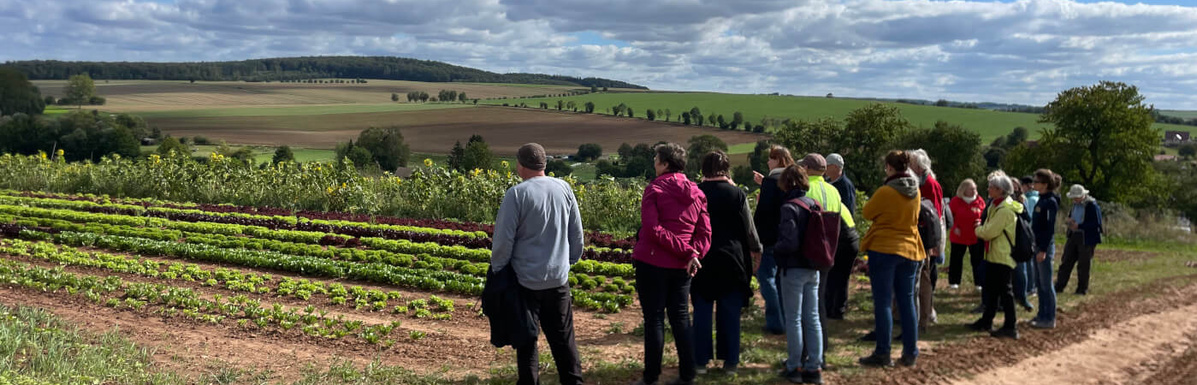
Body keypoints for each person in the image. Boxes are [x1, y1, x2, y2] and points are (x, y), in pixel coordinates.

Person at [490, 143, 585, 385]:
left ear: (520, 165)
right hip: (558, 280)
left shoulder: (517, 194)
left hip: (525, 282)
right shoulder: (564, 188)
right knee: (564, 341)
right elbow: (577, 236)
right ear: (544, 164)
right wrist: (568, 262)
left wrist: (498, 270)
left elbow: (503, 241)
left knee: (527, 341)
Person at [633, 143, 712, 385]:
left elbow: (653, 228)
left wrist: (689, 252)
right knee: (680, 318)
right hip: (682, 267)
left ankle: (651, 377)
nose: (654, 162)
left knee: (654, 319)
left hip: (652, 262)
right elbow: (705, 233)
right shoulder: (698, 193)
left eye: (656, 158)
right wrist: (693, 254)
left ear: (665, 163)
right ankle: (687, 374)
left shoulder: (654, 189)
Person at [692, 151, 762, 375]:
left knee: (702, 311)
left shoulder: (695, 193)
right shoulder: (737, 194)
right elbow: (749, 229)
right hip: (732, 258)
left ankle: (700, 362)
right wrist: (756, 250)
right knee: (730, 312)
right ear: (727, 168)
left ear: (704, 170)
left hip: (701, 257)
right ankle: (730, 362)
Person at [858, 150, 925, 368]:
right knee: (906, 302)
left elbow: (867, 212)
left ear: (889, 167)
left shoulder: (885, 191)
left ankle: (883, 353)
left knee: (884, 302)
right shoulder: (916, 192)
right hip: (911, 249)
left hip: (885, 248)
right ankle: (910, 352)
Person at [798, 153, 856, 353]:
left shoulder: (806, 189)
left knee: (812, 300)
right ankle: (821, 343)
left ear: (806, 168)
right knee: (827, 288)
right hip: (837, 240)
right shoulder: (833, 190)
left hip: (817, 245)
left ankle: (812, 350)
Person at [774, 164, 826, 384]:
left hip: (793, 268)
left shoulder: (789, 207)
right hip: (813, 268)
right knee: (812, 318)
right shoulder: (815, 204)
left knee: (793, 319)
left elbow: (789, 242)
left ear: (786, 183)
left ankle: (794, 365)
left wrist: (775, 249)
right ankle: (814, 367)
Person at [968, 171, 1023, 340]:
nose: (988, 188)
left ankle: (1010, 326)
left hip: (1002, 255)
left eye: (992, 186)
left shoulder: (1004, 210)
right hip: (994, 254)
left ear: (1000, 190)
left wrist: (977, 228)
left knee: (1005, 292)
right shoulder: (995, 205)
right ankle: (987, 321)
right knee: (991, 291)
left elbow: (989, 231)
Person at [752, 146, 796, 335]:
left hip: (769, 239)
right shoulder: (793, 181)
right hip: (788, 237)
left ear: (778, 160)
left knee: (766, 277)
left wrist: (755, 240)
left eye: (770, 159)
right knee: (781, 280)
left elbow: (763, 213)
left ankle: (775, 321)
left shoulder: (771, 181)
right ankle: (786, 318)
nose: (768, 162)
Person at [908, 150, 944, 323]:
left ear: (919, 168)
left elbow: (933, 215)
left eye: (911, 165)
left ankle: (928, 311)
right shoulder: (922, 182)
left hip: (926, 237)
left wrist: (935, 243)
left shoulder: (929, 184)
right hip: (922, 235)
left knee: (927, 275)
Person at [824, 153, 861, 320]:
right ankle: (830, 306)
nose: (825, 168)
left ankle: (838, 308)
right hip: (833, 236)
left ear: (836, 167)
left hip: (843, 236)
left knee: (840, 276)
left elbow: (848, 211)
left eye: (828, 165)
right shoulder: (830, 184)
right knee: (832, 275)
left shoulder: (845, 186)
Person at [1056, 184, 1103, 296]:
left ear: (1083, 195)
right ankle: (1059, 286)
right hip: (1073, 235)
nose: (1075, 200)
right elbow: (1072, 215)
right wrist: (1069, 221)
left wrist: (1080, 226)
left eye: (1076, 197)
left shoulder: (1092, 206)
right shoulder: (1074, 205)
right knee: (1066, 261)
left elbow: (1096, 224)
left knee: (1083, 264)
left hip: (1086, 238)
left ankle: (1082, 289)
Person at [1030, 169, 1062, 329]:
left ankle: (1049, 317)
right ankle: (1041, 314)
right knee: (1038, 281)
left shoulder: (1050, 202)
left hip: (1044, 246)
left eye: (1036, 182)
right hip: (1037, 244)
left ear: (1044, 184)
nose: (1033, 184)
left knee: (1045, 283)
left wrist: (1043, 249)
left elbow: (1048, 228)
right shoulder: (1041, 199)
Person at [947, 179, 986, 297]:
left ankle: (979, 282)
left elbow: (984, 215)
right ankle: (954, 281)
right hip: (959, 236)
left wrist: (980, 221)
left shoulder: (979, 201)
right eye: (971, 188)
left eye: (975, 188)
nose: (974, 191)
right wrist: (954, 227)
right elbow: (949, 216)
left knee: (977, 260)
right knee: (956, 259)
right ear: (964, 190)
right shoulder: (955, 201)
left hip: (975, 236)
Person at [1009, 182, 1035, 312]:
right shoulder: (997, 201)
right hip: (1003, 240)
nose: (1013, 189)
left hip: (1018, 240)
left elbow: (1027, 217)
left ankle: (1022, 297)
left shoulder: (1019, 201)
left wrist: (1016, 204)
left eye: (1015, 186)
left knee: (1020, 271)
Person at [1019, 176, 1040, 299]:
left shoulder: (1030, 199)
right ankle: (1034, 285)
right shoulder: (1037, 197)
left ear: (1026, 186)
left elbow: (1030, 218)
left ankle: (1031, 287)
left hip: (1030, 233)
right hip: (1035, 233)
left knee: (1029, 261)